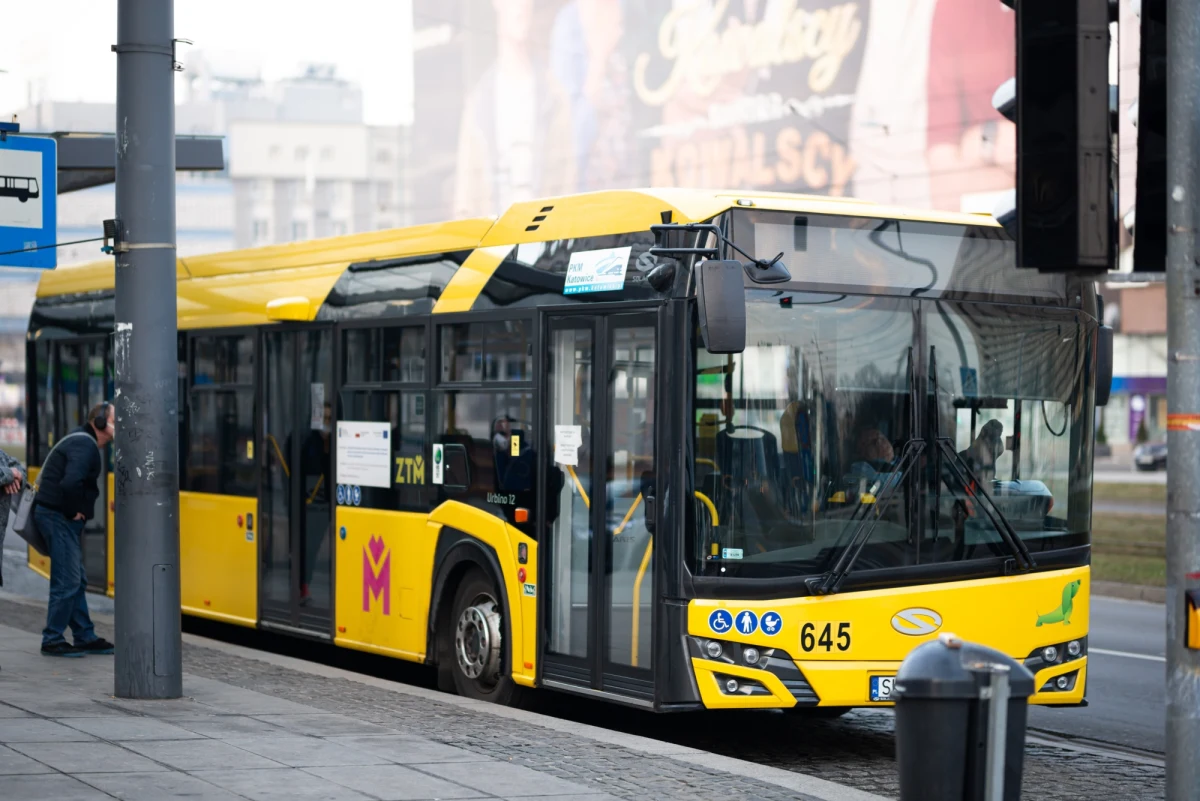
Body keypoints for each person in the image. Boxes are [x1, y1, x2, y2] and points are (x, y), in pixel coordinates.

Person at [35, 402, 115, 657]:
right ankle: (52, 639)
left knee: (76, 578)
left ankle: (84, 635)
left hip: (55, 515)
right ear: (100, 422)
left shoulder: (83, 442)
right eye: (116, 419)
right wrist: (72, 511)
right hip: (57, 516)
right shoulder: (85, 445)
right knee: (67, 579)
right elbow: (70, 482)